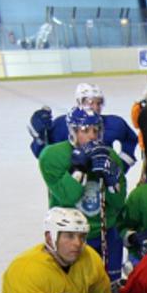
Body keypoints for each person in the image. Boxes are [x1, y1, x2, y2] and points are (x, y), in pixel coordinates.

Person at [37, 107, 127, 283]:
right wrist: (78, 168)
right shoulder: (52, 156)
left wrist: (111, 183)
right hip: (69, 234)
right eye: (85, 130)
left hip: (104, 233)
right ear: (73, 131)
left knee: (109, 288)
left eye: (96, 130)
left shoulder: (110, 156)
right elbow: (68, 196)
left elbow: (118, 203)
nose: (92, 136)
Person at [29, 83, 140, 173]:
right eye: (90, 103)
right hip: (70, 180)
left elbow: (131, 140)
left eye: (99, 103)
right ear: (79, 102)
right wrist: (40, 137)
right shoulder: (61, 124)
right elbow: (43, 154)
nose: (96, 107)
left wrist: (121, 165)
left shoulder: (114, 123)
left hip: (102, 178)